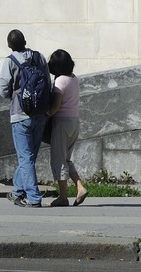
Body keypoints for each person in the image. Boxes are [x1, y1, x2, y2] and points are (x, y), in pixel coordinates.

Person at [0, 28, 48, 206]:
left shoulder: (9, 62)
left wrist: (14, 94)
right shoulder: (39, 57)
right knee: (29, 156)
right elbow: (47, 82)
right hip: (40, 113)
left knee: (25, 158)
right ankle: (17, 191)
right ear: (25, 42)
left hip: (20, 114)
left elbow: (3, 89)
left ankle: (34, 198)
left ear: (9, 46)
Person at [46, 48, 87, 207]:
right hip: (74, 122)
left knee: (58, 159)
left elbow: (56, 106)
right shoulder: (74, 79)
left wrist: (46, 115)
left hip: (61, 123)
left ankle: (63, 196)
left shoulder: (60, 81)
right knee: (67, 159)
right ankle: (80, 187)